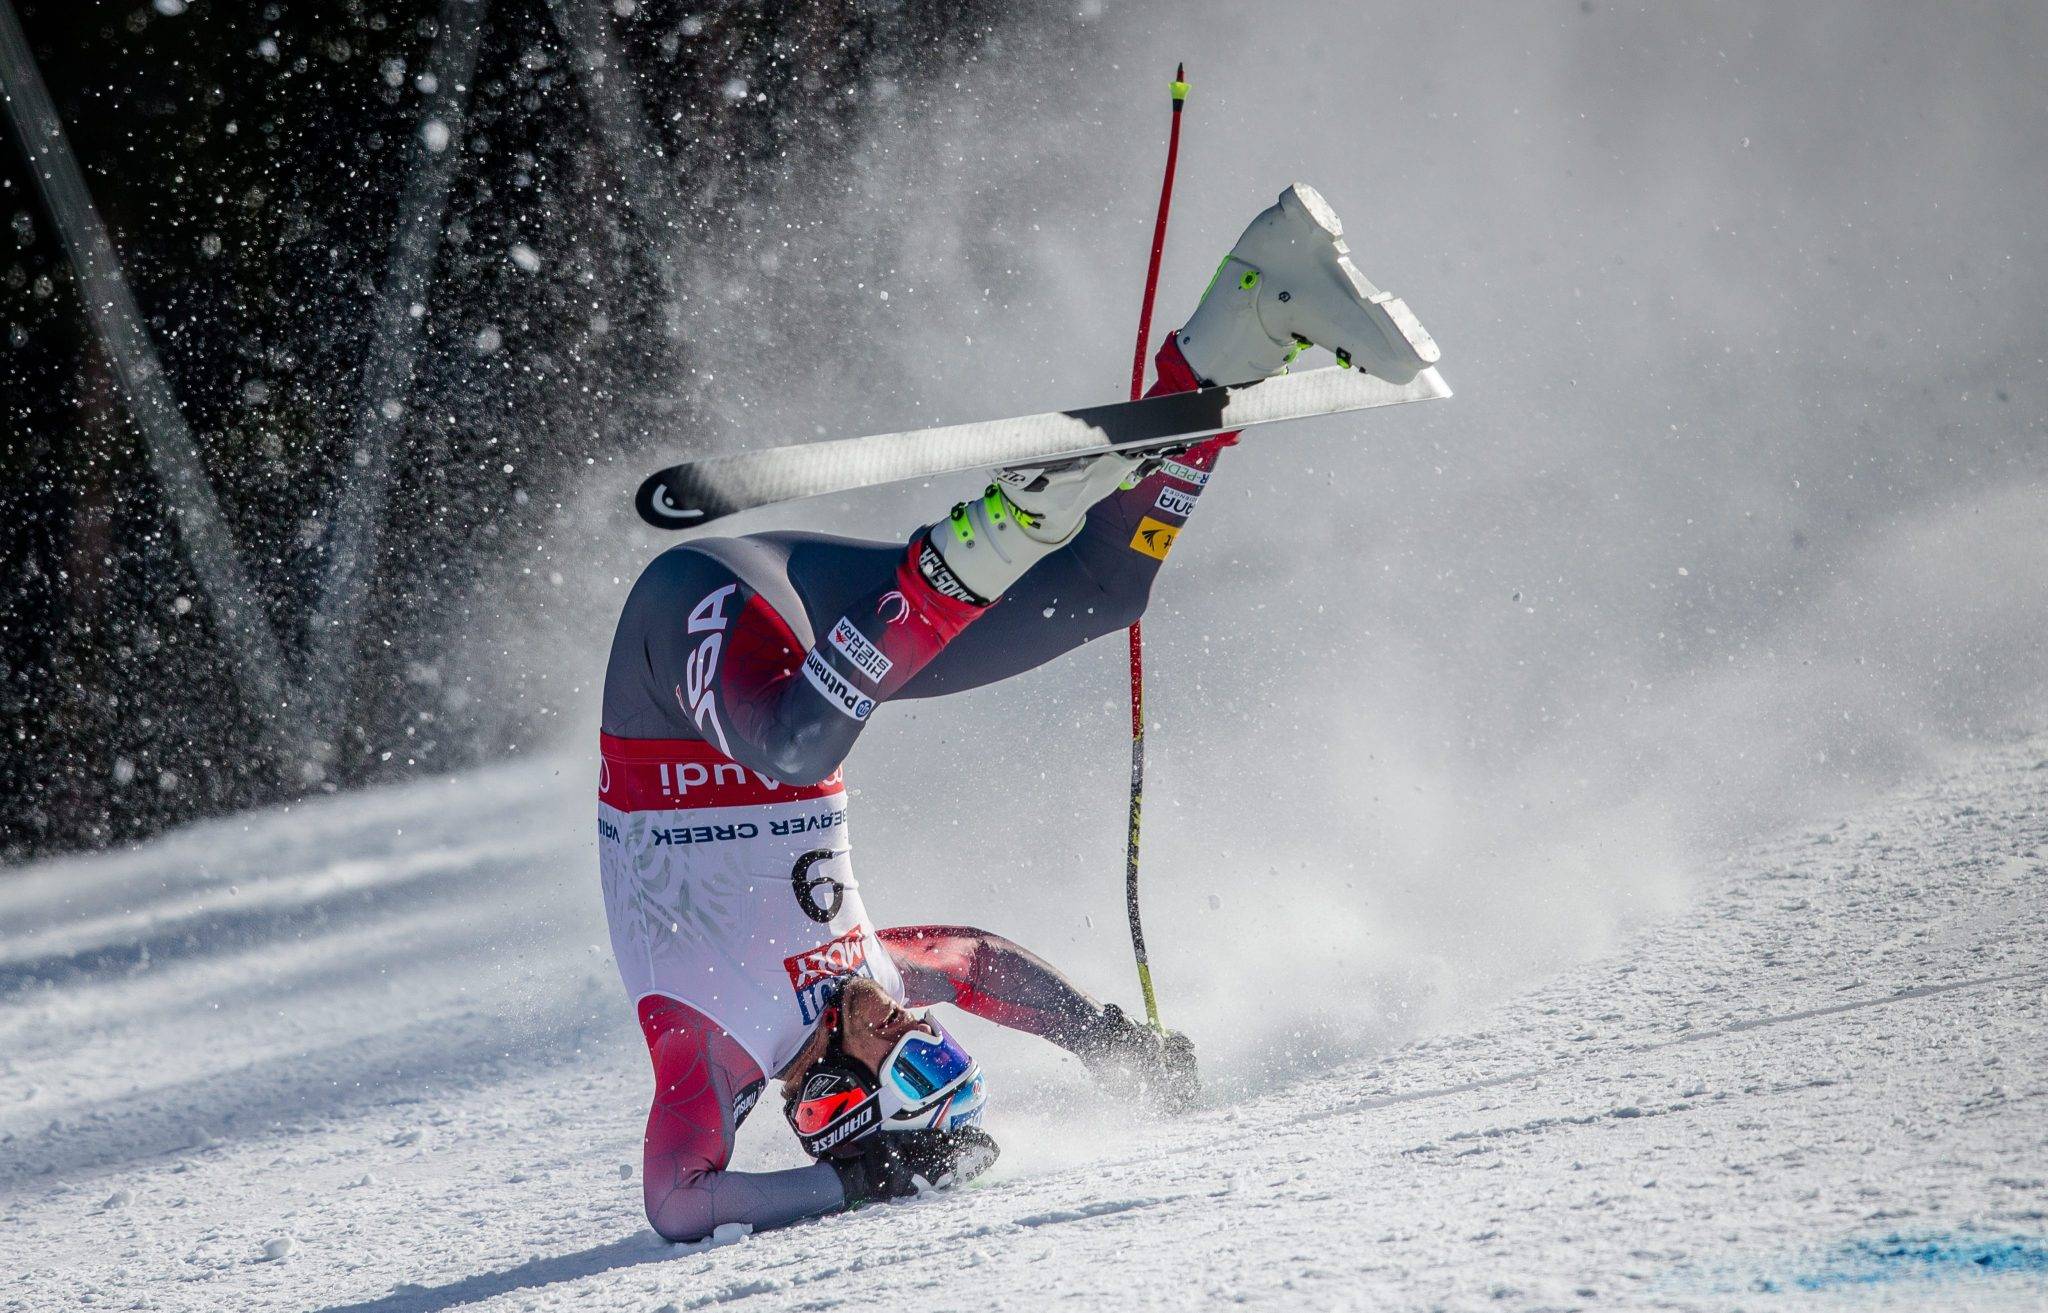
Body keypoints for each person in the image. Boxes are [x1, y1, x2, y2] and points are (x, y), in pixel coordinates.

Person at [597, 183, 1438, 1242]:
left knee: (794, 743)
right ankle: (1251, 315)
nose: (913, 1019)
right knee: (1098, 592)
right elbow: (980, 964)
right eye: (933, 1042)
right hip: (816, 641)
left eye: (909, 1055)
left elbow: (677, 1203)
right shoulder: (874, 981)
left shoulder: (708, 1049)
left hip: (680, 652)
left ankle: (994, 531)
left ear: (835, 1104)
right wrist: (1100, 1040)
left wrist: (858, 1189)